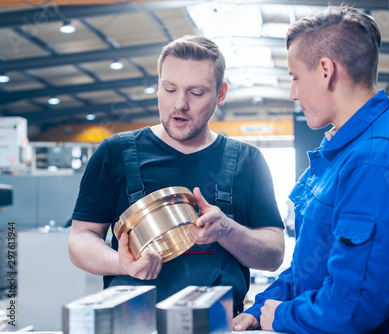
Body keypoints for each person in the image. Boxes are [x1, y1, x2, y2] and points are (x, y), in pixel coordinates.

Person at [233, 5, 389, 333]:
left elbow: (354, 306)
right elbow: (311, 263)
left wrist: (282, 316)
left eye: (296, 78)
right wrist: (262, 307)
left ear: (326, 70)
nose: (293, 93)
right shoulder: (343, 153)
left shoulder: (375, 162)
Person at [68, 35, 285, 315]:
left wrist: (226, 230)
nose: (179, 104)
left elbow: (274, 255)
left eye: (196, 93)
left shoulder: (248, 160)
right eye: (169, 89)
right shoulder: (114, 153)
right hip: (132, 324)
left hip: (217, 325)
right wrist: (120, 262)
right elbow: (80, 238)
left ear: (220, 93)